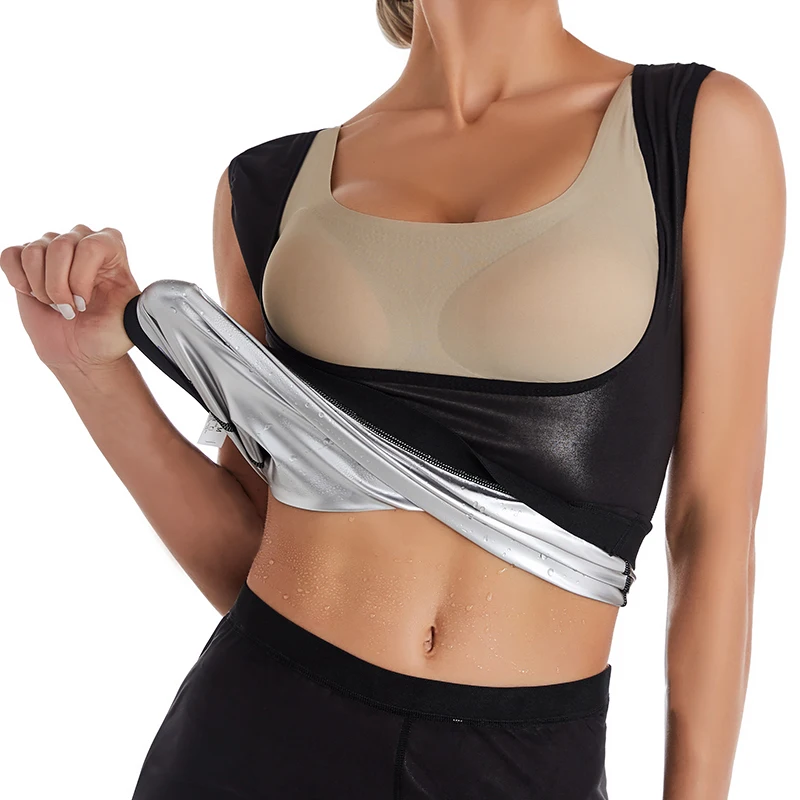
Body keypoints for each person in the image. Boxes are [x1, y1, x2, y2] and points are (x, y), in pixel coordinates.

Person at [1, 1, 785, 798]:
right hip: (251, 735)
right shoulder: (270, 190)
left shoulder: (692, 131)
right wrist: (89, 372)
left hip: (522, 759)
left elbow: (713, 524)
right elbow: (246, 551)